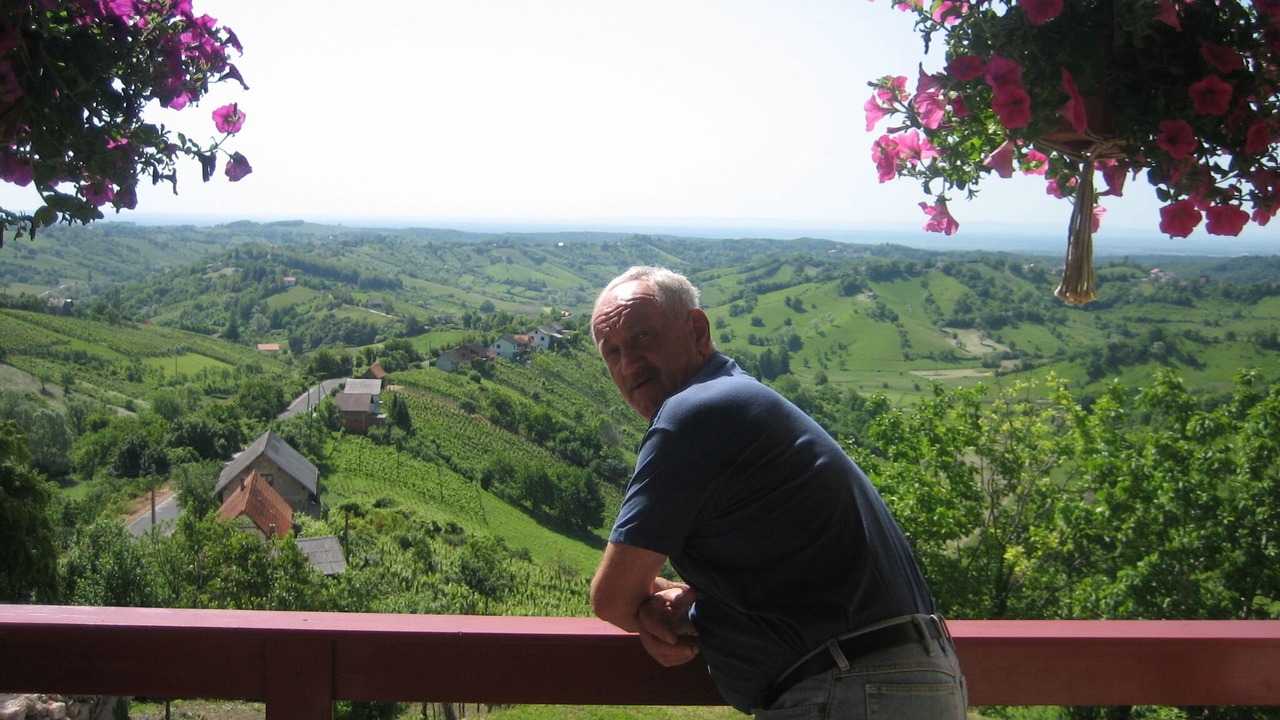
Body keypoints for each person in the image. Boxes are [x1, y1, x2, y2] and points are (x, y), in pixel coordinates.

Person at [588, 266, 966, 718]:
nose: (628, 364)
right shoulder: (738, 401)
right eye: (612, 351)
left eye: (643, 336)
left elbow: (612, 598)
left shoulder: (693, 416)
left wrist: (652, 607)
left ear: (697, 329)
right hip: (905, 677)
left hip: (847, 689)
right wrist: (692, 606)